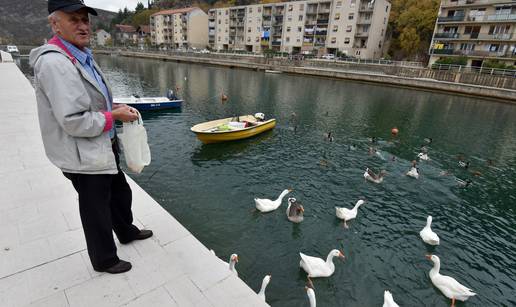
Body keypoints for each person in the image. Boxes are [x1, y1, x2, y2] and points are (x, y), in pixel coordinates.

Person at [29, 0, 153, 274]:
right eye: (74, 19)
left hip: (100, 146)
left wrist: (114, 108)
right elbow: (73, 121)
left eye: (85, 19)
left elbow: (92, 102)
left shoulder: (80, 55)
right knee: (95, 208)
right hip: (81, 154)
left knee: (120, 192)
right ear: (55, 24)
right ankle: (104, 259)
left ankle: (126, 230)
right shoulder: (55, 64)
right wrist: (115, 117)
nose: (83, 25)